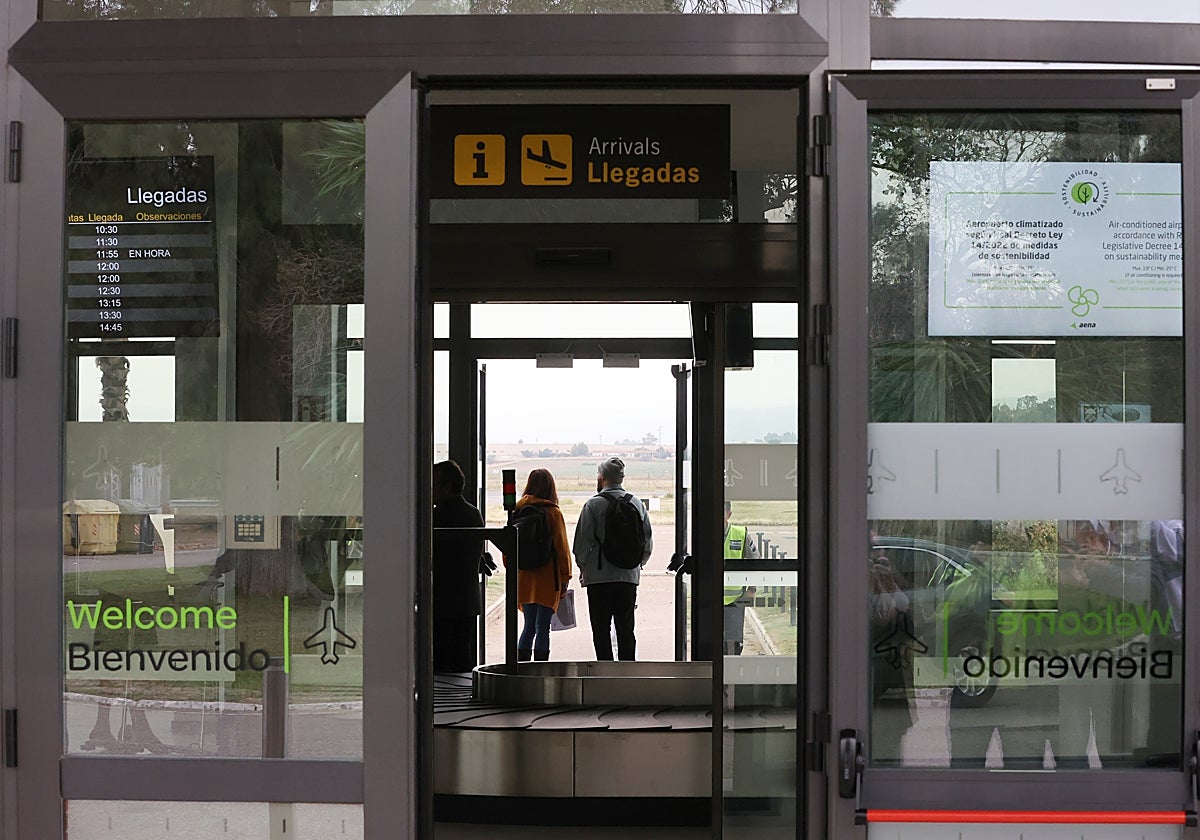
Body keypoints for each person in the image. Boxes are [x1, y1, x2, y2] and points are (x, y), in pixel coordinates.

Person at [572, 457, 653, 661]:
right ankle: (627, 672)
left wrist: (584, 567)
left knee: (601, 630)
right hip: (628, 578)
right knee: (626, 628)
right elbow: (647, 541)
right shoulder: (636, 503)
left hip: (599, 579)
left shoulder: (592, 505)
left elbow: (581, 545)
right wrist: (636, 564)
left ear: (602, 477)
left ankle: (604, 672)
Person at [511, 469, 573, 662]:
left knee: (528, 625)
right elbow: (561, 548)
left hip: (524, 576)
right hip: (547, 578)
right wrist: (565, 577)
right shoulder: (553, 512)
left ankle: (521, 668)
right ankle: (539, 670)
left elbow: (509, 546)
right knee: (542, 628)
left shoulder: (517, 510)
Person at [431, 460, 485, 673]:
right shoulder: (473, 512)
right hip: (466, 601)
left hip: (442, 603)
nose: (430, 489)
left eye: (434, 484)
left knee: (441, 664)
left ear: (447, 486)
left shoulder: (436, 516)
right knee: (461, 660)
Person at [722, 500, 761, 655]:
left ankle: (731, 675)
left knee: (733, 641)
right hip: (710, 598)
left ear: (729, 514)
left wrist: (751, 589)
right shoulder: (704, 534)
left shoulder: (740, 534)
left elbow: (755, 561)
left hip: (736, 600)